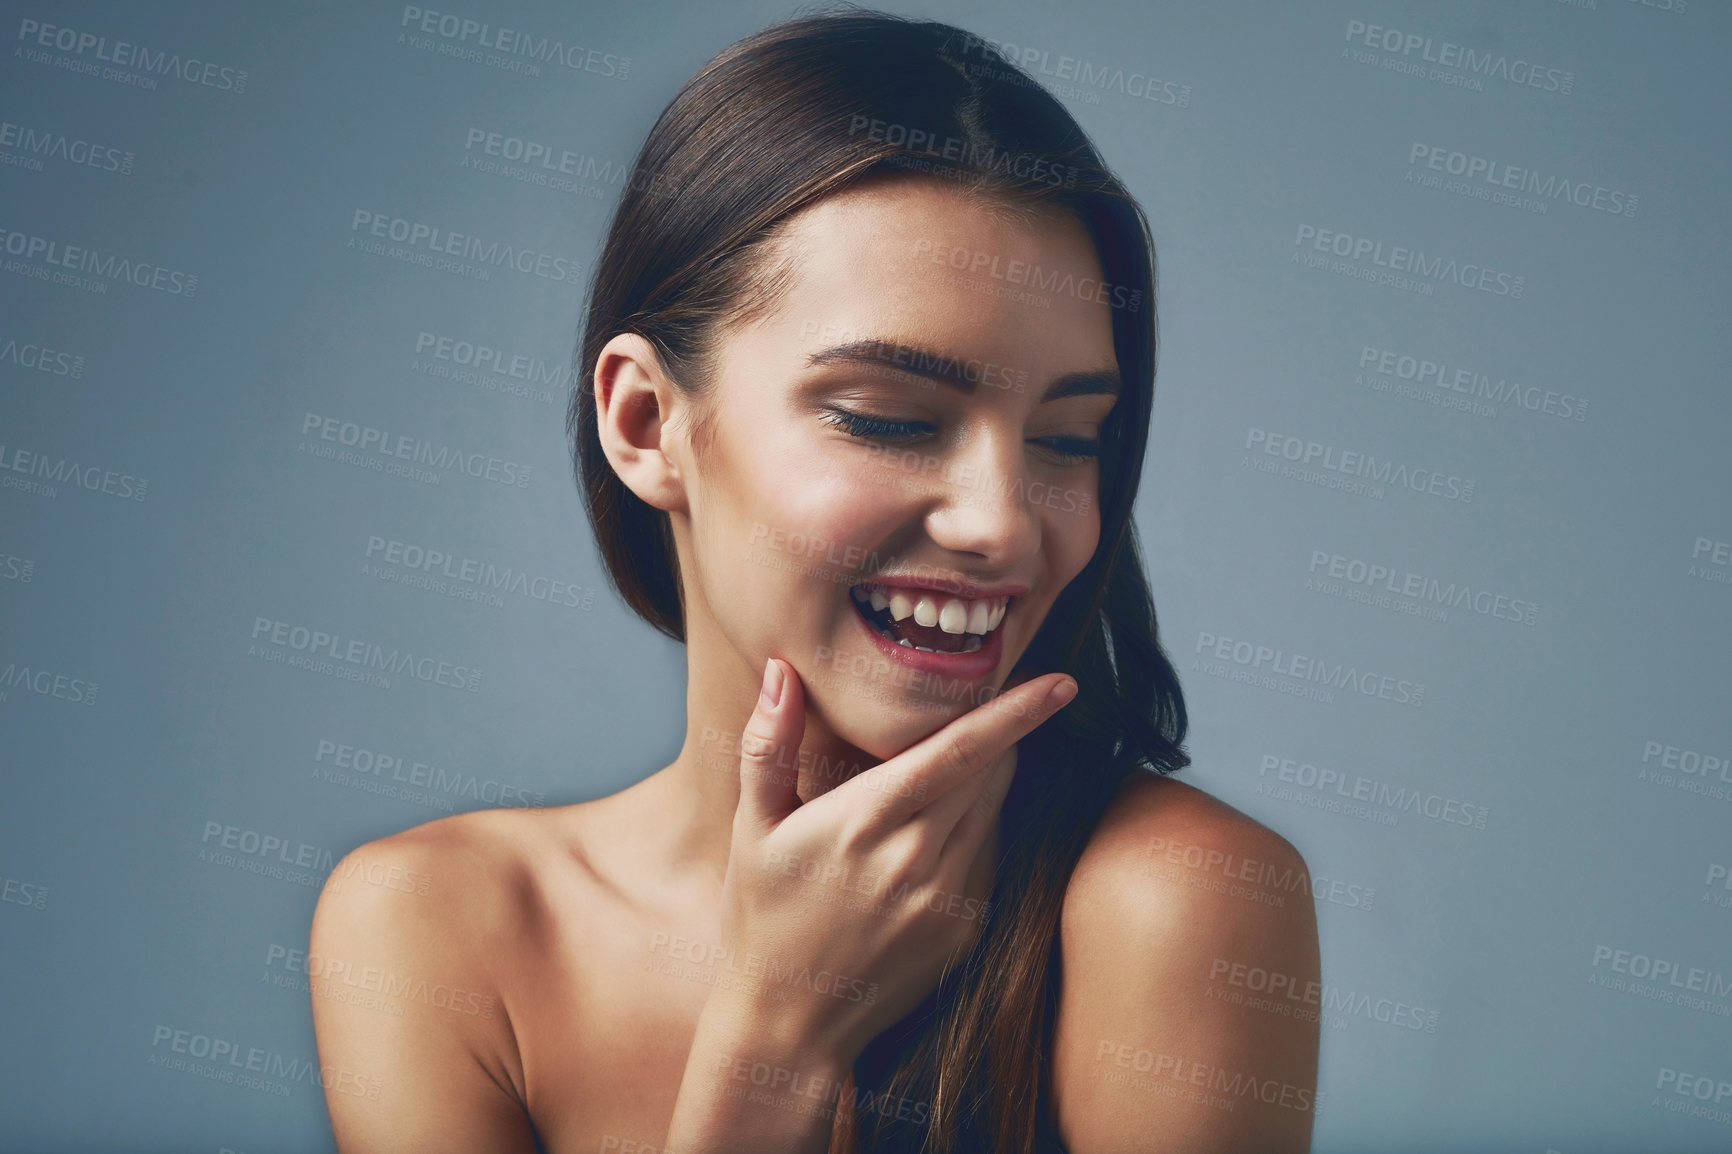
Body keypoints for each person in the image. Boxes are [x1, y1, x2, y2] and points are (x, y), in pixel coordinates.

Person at [309, 9, 1320, 1152]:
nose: (999, 523)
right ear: (645, 422)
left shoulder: (1167, 898)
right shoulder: (436, 925)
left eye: (1069, 437)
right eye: (887, 418)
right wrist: (775, 1041)